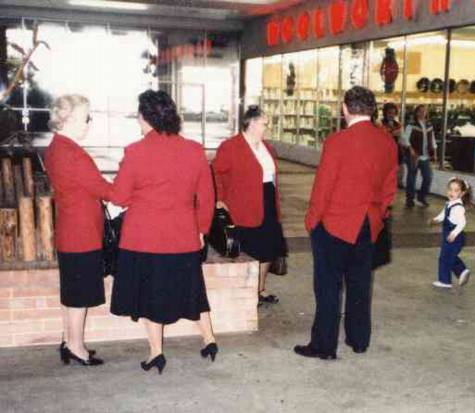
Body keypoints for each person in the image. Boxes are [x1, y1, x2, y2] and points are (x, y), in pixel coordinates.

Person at [108, 90, 217, 374]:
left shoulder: (135, 151)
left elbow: (119, 196)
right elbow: (207, 196)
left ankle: (156, 353)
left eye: (139, 118)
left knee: (151, 296)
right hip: (183, 237)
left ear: (146, 118)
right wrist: (202, 229)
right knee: (193, 290)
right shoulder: (194, 150)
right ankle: (209, 340)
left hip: (143, 238)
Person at [294, 86, 398, 360]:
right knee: (360, 284)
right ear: (373, 109)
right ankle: (359, 339)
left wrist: (312, 221)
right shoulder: (387, 141)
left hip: (335, 224)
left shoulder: (337, 142)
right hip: (368, 224)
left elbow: (323, 188)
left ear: (345, 109)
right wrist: (377, 214)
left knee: (328, 287)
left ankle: (324, 346)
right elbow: (389, 187)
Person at [44, 94, 110, 366]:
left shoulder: (56, 148)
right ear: (69, 119)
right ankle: (76, 347)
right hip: (82, 234)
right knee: (79, 295)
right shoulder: (72, 153)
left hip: (70, 231)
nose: (88, 123)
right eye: (86, 117)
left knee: (72, 293)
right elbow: (103, 189)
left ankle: (68, 340)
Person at [212, 105, 287, 306]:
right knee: (251, 250)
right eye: (264, 124)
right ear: (251, 123)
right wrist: (219, 198)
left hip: (268, 202)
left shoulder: (267, 148)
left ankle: (259, 290)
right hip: (244, 206)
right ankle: (247, 293)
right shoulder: (231, 146)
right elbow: (216, 171)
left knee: (269, 249)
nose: (267, 128)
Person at [429, 177, 474, 289]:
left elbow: (462, 222)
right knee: (448, 256)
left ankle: (445, 281)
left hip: (455, 237)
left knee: (445, 258)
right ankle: (462, 271)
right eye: (450, 189)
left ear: (462, 193)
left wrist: (454, 233)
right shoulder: (449, 204)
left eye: (455, 190)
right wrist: (435, 220)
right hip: (449, 236)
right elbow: (443, 215)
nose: (451, 192)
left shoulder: (458, 207)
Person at [402, 104, 437, 208]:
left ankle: (421, 197)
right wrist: (411, 150)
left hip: (425, 156)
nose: (422, 113)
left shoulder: (429, 125)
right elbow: (405, 139)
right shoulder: (411, 125)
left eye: (424, 111)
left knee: (428, 176)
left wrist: (434, 152)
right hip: (414, 155)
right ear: (416, 112)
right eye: (420, 111)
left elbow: (433, 139)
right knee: (411, 177)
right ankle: (410, 199)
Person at [380, 102, 404, 187]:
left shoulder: (398, 124)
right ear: (385, 113)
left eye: (393, 113)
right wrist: (392, 133)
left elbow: (402, 138)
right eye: (389, 113)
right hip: (384, 152)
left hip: (397, 151)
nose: (391, 115)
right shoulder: (379, 123)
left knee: (398, 171)